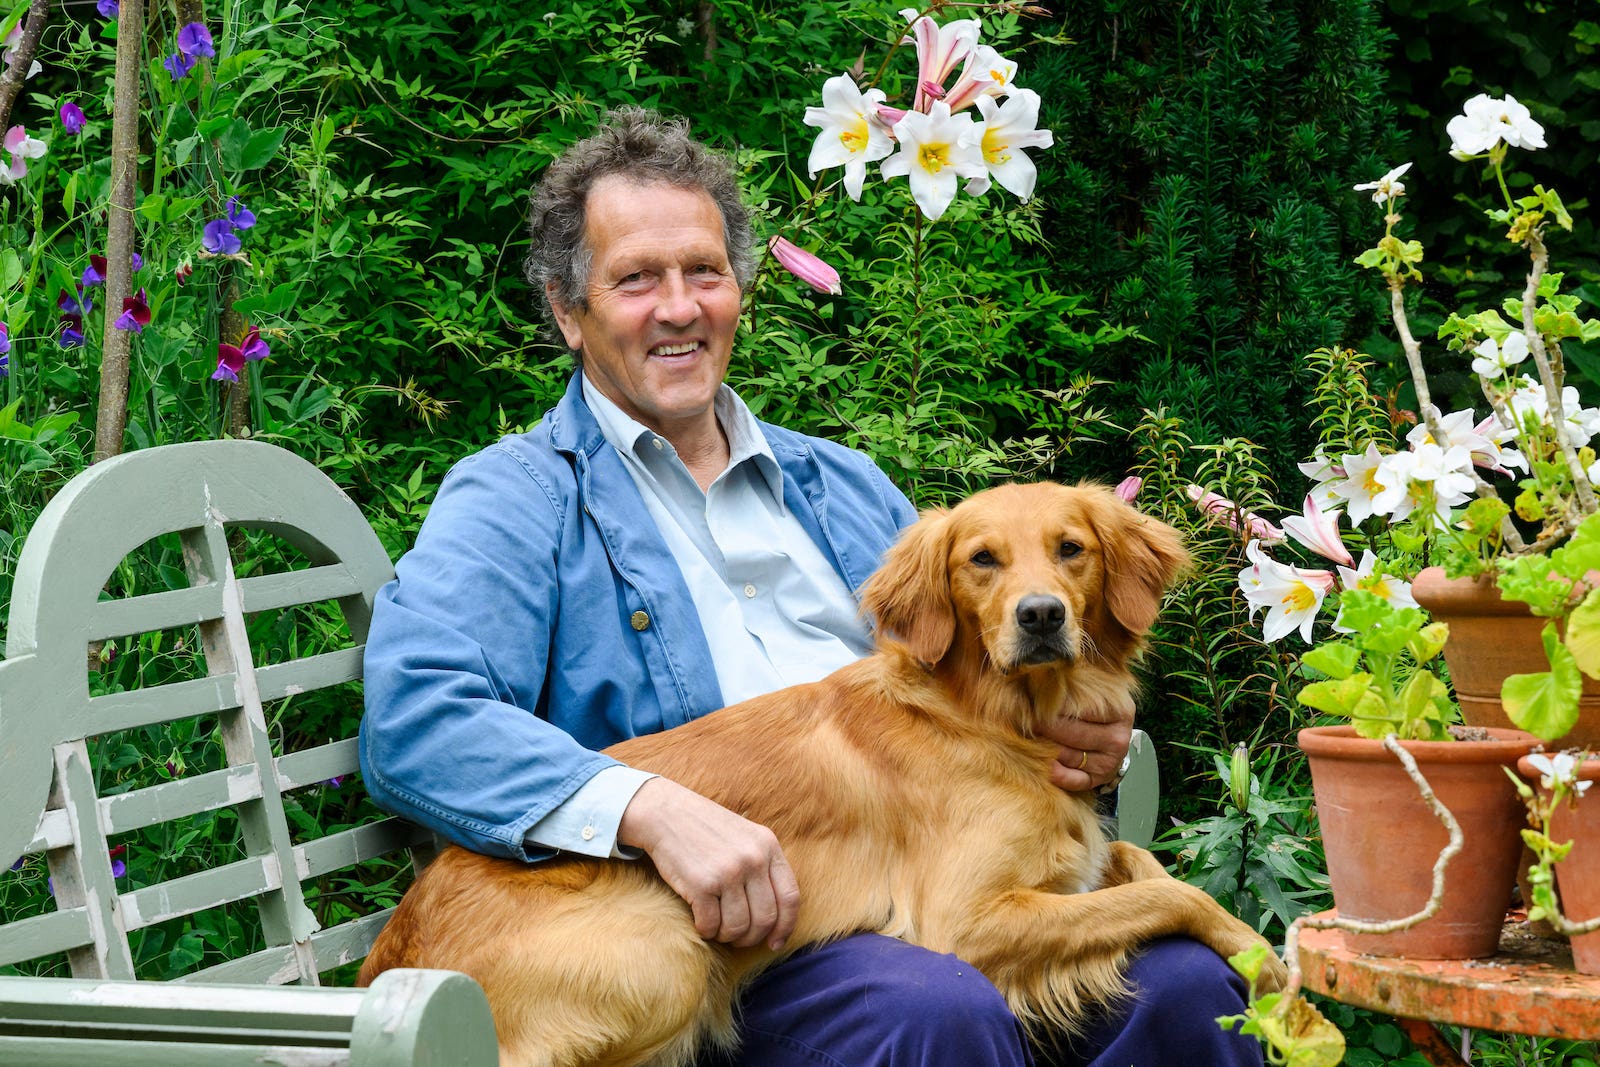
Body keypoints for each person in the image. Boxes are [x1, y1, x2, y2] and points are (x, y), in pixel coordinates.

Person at [358, 107, 1264, 1067]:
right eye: (635, 280)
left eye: (704, 272)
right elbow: (417, 717)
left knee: (1192, 989)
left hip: (917, 896)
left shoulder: (844, 485)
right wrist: (656, 810)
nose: (678, 307)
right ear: (567, 310)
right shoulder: (517, 499)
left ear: (739, 290)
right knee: (932, 1008)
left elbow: (978, 679)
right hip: (703, 934)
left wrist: (1084, 742)